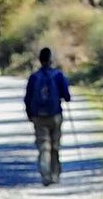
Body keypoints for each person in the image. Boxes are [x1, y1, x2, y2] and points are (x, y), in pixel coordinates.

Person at [24, 46, 74, 185]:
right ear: (51, 60)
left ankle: (45, 174)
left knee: (43, 146)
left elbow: (27, 98)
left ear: (40, 60)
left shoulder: (34, 77)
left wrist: (29, 113)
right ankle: (55, 174)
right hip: (55, 115)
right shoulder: (58, 75)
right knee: (55, 146)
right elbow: (67, 96)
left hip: (38, 116)